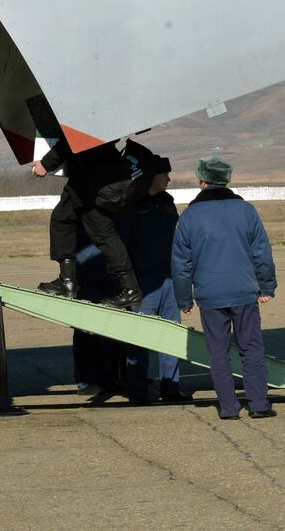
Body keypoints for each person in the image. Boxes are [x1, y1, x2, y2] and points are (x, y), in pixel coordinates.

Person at [172, 157, 277, 420]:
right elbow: (262, 253)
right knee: (251, 349)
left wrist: (184, 299)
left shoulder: (189, 216)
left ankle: (229, 408)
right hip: (244, 292)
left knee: (218, 354)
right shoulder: (247, 211)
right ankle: (258, 404)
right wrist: (267, 287)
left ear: (202, 181)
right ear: (227, 180)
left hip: (209, 296)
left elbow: (180, 264)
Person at [73, 168, 187, 403]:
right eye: (164, 173)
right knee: (139, 339)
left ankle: (171, 387)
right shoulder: (133, 205)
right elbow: (122, 244)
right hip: (142, 280)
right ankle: (137, 390)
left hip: (168, 278)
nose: (168, 178)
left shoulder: (168, 203)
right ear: (152, 177)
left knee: (171, 337)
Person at [34, 138, 163, 309]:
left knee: (68, 222)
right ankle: (127, 288)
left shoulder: (83, 114)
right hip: (99, 176)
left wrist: (46, 163)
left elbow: (74, 137)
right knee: (94, 230)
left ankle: (69, 282)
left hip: (91, 176)